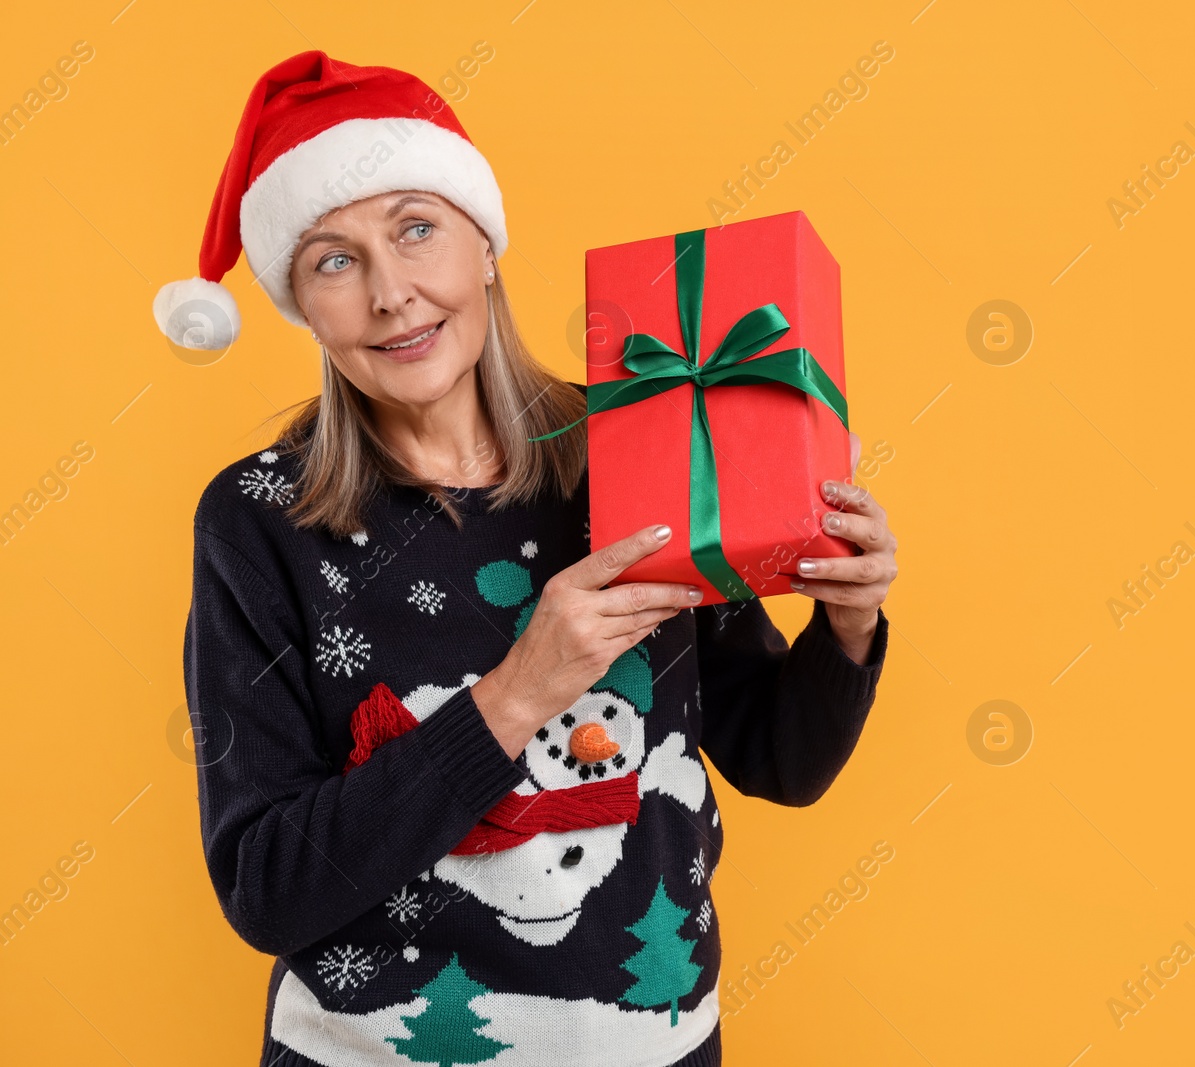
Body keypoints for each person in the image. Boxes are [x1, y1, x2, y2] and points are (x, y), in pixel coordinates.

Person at [161, 51, 897, 1067]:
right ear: (301, 302)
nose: (391, 294)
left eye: (417, 228)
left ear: (486, 246)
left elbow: (779, 758)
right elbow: (268, 886)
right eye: (334, 259)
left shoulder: (630, 453)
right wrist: (517, 693)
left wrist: (846, 623)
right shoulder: (258, 519)